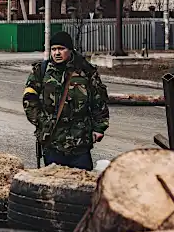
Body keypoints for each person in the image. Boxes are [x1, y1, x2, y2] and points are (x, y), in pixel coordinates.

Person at [22, 31, 109, 171]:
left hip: (80, 141)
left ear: (70, 50)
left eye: (61, 49)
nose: (57, 53)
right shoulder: (41, 71)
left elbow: (99, 101)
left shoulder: (86, 71)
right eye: (54, 49)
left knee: (82, 184)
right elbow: (29, 99)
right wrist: (41, 121)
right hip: (52, 141)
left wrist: (99, 128)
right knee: (53, 183)